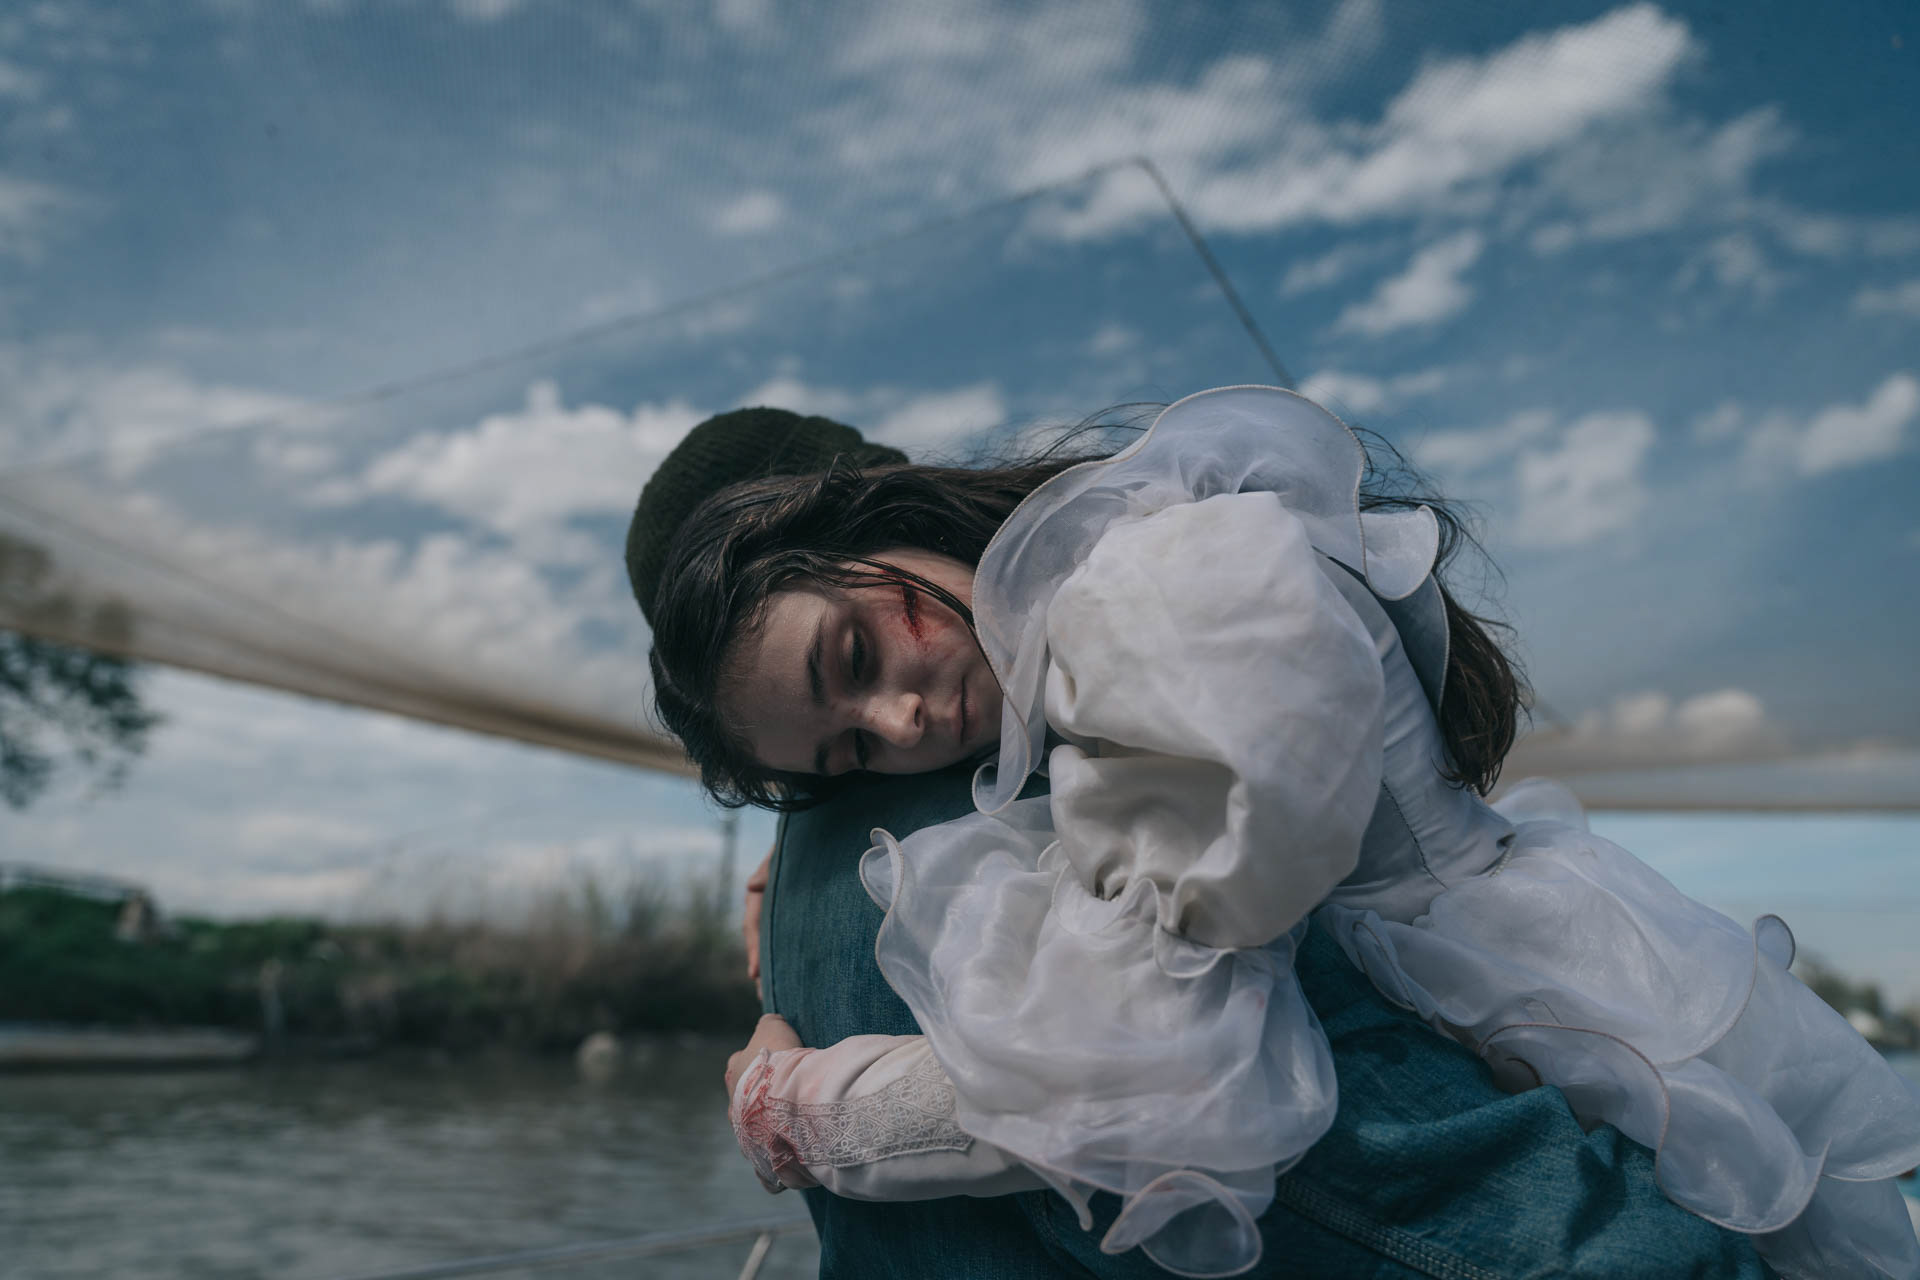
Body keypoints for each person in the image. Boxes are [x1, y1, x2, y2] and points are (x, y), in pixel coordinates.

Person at [629, 391, 1920, 1278]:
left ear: (870, 518)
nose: (904, 720)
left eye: (859, 654)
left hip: (1534, 1063)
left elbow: (1151, 1069)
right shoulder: (1069, 658)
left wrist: (800, 1110)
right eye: (850, 754)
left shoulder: (1160, 594)